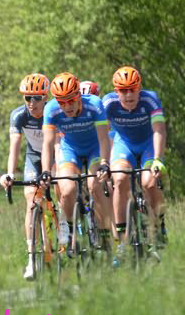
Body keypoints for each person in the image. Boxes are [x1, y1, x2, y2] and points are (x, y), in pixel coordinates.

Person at [40, 72, 112, 251]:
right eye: (61, 102)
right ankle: (71, 230)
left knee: (95, 185)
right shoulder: (51, 109)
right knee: (67, 190)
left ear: (78, 95)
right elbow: (47, 143)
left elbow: (104, 138)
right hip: (70, 150)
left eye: (71, 100)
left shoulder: (94, 104)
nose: (67, 106)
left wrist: (105, 163)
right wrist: (46, 171)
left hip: (94, 148)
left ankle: (104, 236)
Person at [101, 66, 167, 262]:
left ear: (139, 88)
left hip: (148, 145)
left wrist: (158, 159)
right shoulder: (108, 103)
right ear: (116, 91)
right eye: (123, 90)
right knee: (119, 179)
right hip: (124, 145)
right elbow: (102, 135)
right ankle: (122, 242)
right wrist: (104, 162)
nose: (128, 94)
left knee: (149, 183)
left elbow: (159, 130)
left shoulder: (150, 99)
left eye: (132, 89)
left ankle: (158, 227)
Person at [0, 73, 52, 279]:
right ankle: (31, 257)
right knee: (31, 202)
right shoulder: (19, 115)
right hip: (33, 157)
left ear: (45, 97)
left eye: (37, 98)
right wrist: (10, 173)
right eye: (27, 97)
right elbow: (15, 147)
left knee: (61, 189)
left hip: (55, 156)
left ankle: (64, 225)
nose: (32, 102)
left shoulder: (52, 111)